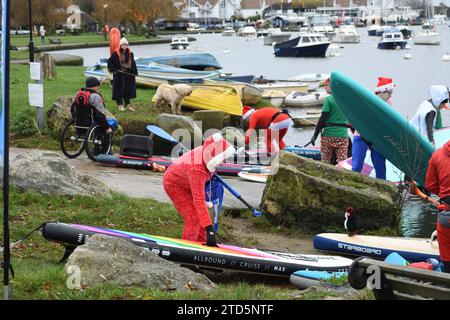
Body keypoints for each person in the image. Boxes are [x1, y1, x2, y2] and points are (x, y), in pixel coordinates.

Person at [163, 133, 236, 246]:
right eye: (223, 158)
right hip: (174, 184)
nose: (225, 162)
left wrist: (207, 228)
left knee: (202, 220)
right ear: (214, 157)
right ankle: (186, 250)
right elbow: (199, 201)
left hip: (188, 181)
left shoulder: (208, 159)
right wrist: (210, 231)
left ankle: (201, 246)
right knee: (193, 219)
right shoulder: (197, 170)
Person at [352, 77, 395, 180]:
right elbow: (356, 118)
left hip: (377, 139)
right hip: (361, 136)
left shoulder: (388, 103)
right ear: (381, 92)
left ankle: (382, 192)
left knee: (381, 170)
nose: (391, 95)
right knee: (357, 167)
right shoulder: (368, 99)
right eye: (389, 92)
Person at [310, 79, 349, 164]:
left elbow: (323, 117)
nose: (325, 88)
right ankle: (342, 176)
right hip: (343, 135)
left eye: (326, 86)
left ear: (333, 87)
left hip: (328, 135)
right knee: (342, 162)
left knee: (325, 161)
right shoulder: (346, 100)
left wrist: (315, 135)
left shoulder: (328, 99)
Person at [425, 141, 450, 273]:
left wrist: (445, 194)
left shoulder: (437, 155)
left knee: (448, 264)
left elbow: (430, 184)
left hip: (446, 216)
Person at [107, 37, 138, 112]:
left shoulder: (130, 53)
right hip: (119, 74)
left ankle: (127, 105)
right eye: (123, 44)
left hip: (128, 74)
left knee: (127, 89)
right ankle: (120, 105)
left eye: (126, 44)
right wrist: (113, 70)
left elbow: (133, 63)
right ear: (120, 45)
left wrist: (135, 72)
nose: (125, 46)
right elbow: (110, 62)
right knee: (119, 90)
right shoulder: (115, 53)